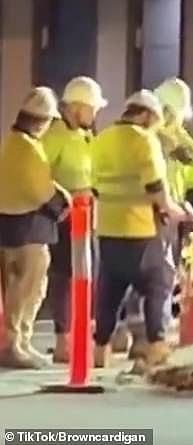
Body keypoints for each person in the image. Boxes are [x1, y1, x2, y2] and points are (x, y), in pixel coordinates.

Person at [91, 89, 193, 368]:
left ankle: (100, 348)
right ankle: (157, 346)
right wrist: (175, 211)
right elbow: (155, 188)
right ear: (147, 115)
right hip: (142, 230)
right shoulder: (144, 141)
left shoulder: (101, 139)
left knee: (110, 290)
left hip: (108, 227)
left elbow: (94, 186)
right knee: (158, 284)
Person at [111, 78, 193, 358]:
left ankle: (143, 336)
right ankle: (136, 335)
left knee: (157, 280)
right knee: (143, 278)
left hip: (170, 218)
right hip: (145, 214)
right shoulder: (142, 139)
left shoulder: (186, 146)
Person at [0, 87, 71, 368]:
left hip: (9, 227)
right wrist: (63, 204)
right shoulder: (29, 150)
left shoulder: (12, 144)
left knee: (15, 288)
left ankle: (17, 343)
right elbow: (42, 191)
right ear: (42, 121)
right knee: (29, 288)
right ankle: (17, 345)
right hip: (29, 230)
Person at [42, 76, 108, 363]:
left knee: (85, 276)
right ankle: (63, 340)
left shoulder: (85, 136)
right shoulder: (54, 136)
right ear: (78, 107)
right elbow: (40, 175)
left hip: (87, 215)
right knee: (64, 277)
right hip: (63, 218)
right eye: (92, 108)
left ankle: (80, 336)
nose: (95, 114)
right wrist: (62, 204)